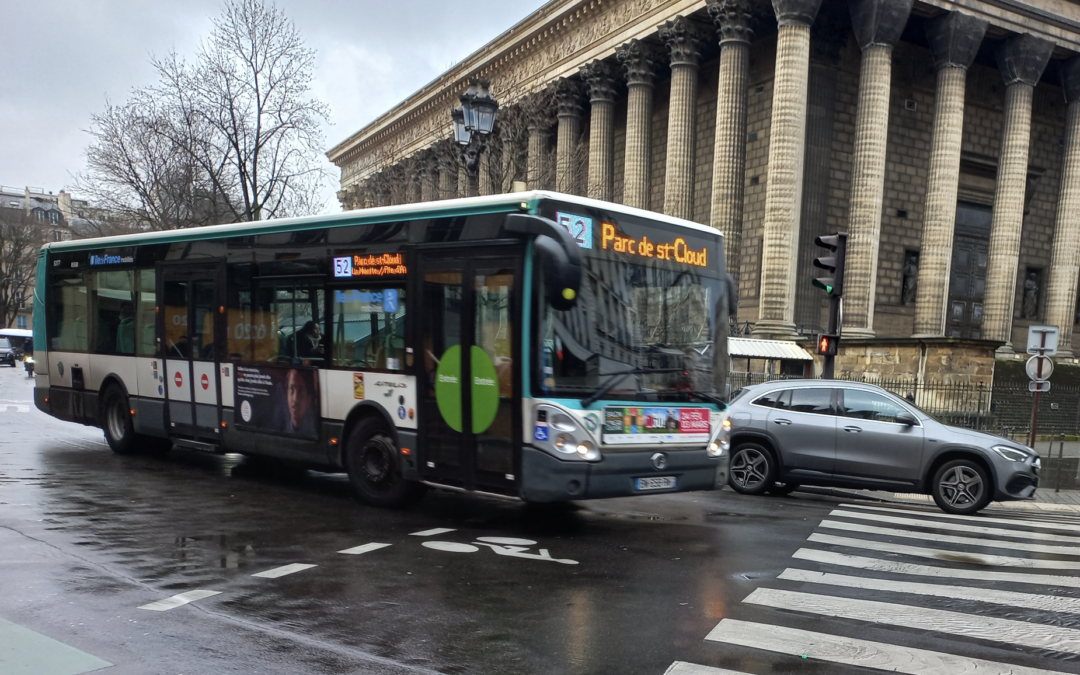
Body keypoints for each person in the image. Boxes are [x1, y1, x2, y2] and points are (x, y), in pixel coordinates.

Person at [284, 368, 316, 436]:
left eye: (300, 391)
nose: (295, 399)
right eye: (291, 390)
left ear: (308, 399)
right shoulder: (280, 426)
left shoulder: (313, 430)